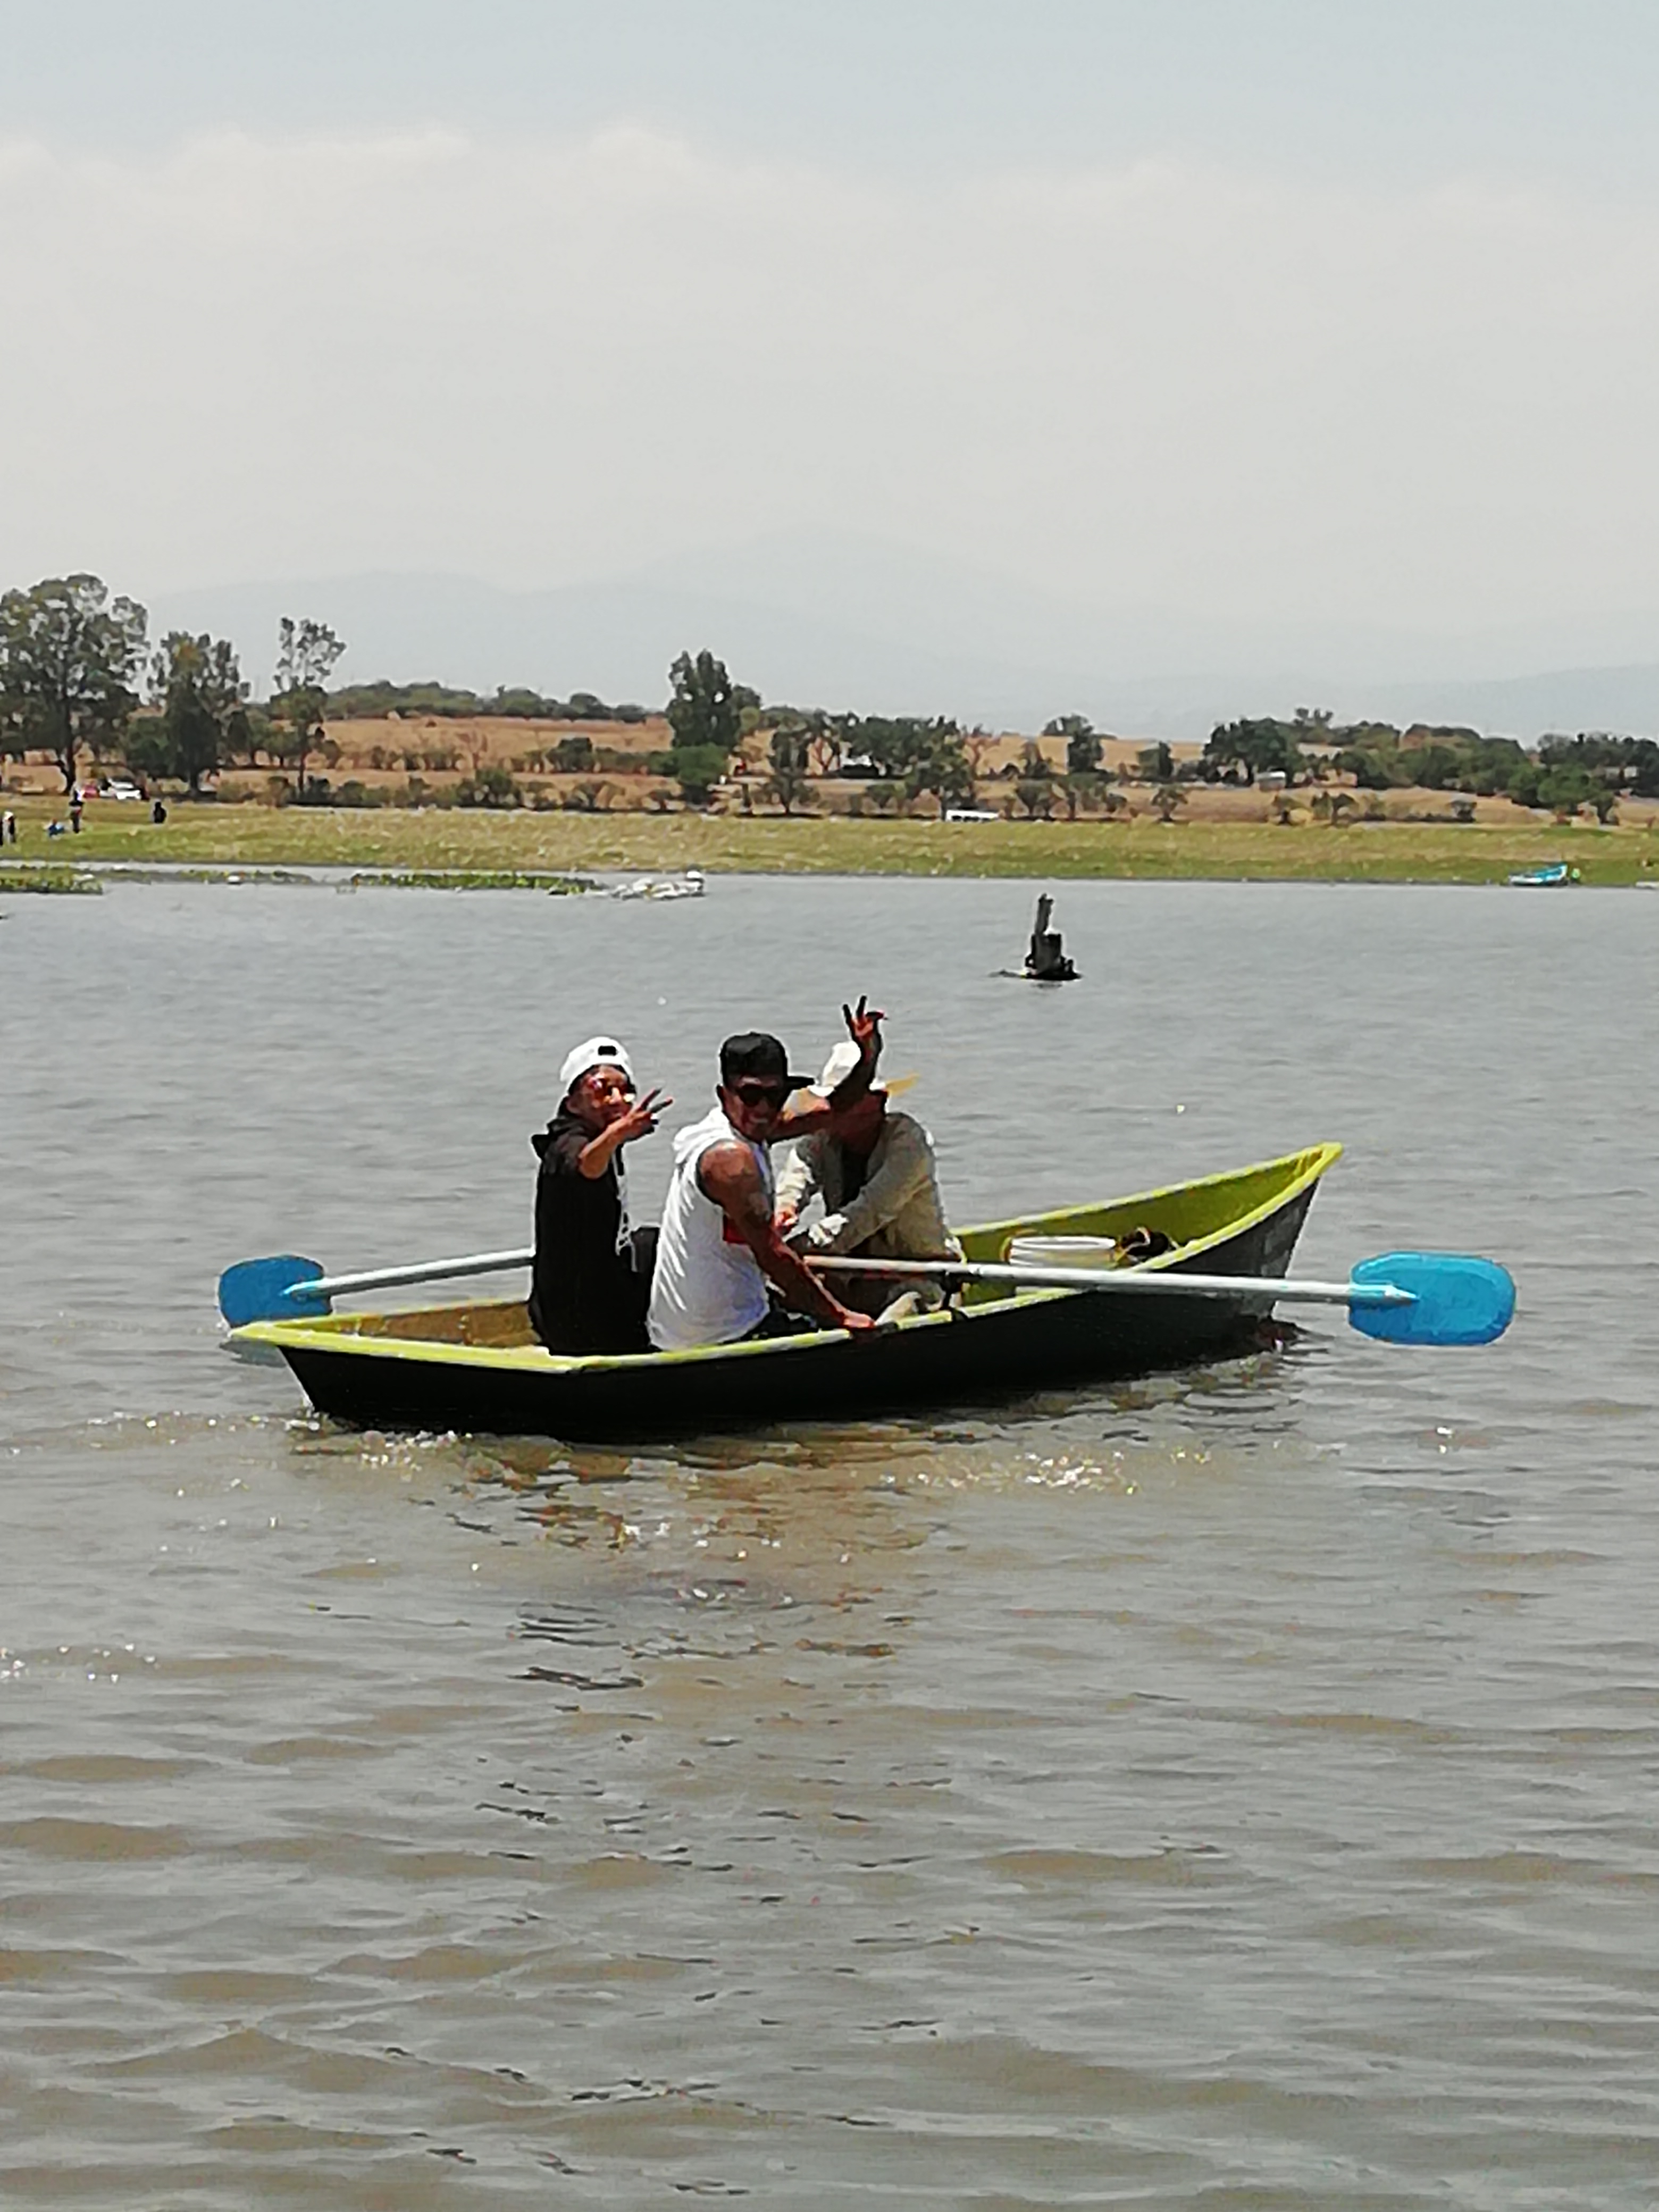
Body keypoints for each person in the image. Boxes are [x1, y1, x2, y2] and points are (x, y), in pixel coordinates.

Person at [647, 999, 886, 1351]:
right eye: (751, 1095)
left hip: (675, 1332)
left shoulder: (749, 1129)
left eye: (774, 1096)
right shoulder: (730, 1160)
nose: (762, 1108)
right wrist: (840, 1316)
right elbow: (772, 1254)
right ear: (724, 1095)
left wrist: (869, 1056)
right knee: (836, 1326)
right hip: (723, 1335)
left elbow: (835, 1108)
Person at [775, 1043, 961, 1318]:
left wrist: (794, 1249)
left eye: (849, 1100)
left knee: (902, 1312)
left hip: (918, 1276)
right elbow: (794, 1179)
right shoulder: (821, 1140)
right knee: (771, 1296)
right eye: (836, 1101)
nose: (838, 1110)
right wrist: (779, 1217)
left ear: (878, 1102)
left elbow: (869, 1211)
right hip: (850, 1277)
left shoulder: (908, 1142)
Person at [529, 1035, 670, 1355]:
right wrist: (619, 1133)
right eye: (602, 1090)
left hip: (603, 1285)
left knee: (662, 1242)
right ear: (573, 1101)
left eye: (624, 1090)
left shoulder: (601, 1136)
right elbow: (585, 1165)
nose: (617, 1100)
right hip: (581, 1319)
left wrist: (619, 1136)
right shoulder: (566, 1143)